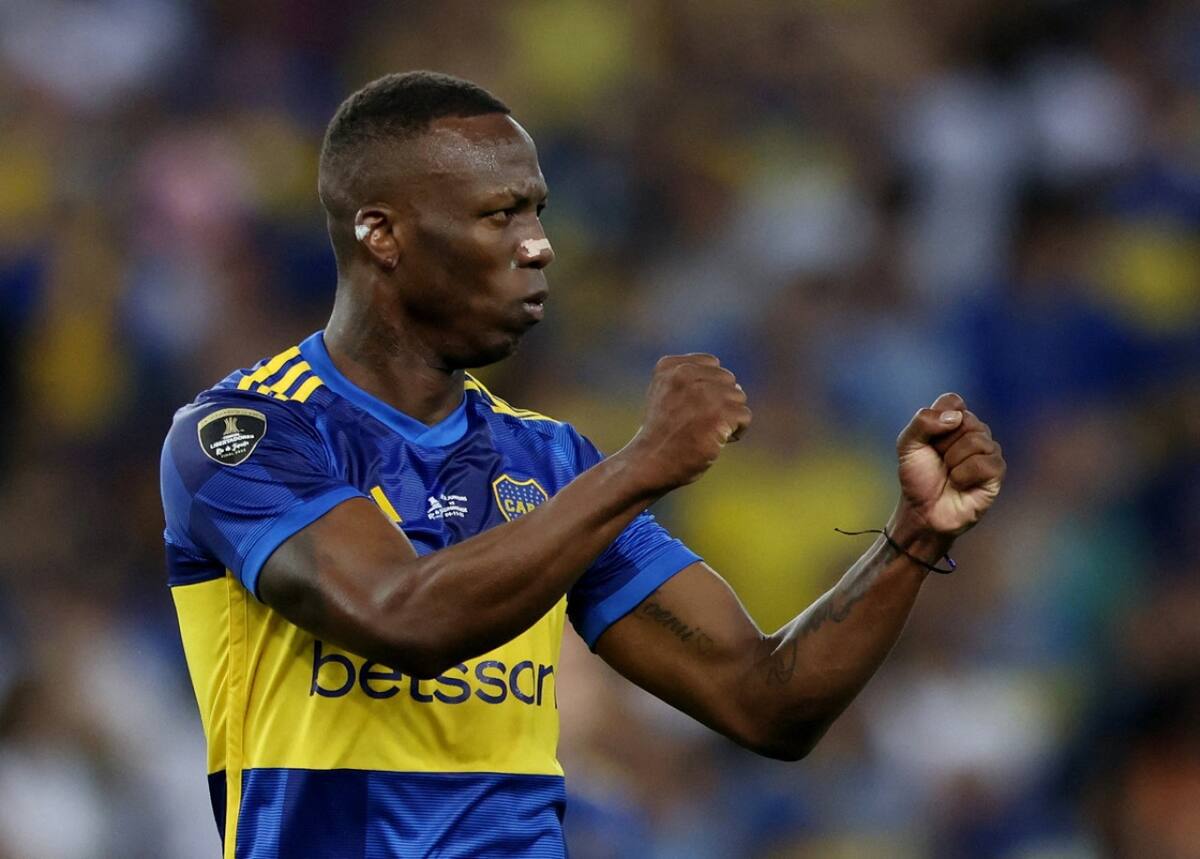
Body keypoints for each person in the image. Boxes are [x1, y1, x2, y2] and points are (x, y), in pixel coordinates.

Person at [160, 71, 1005, 858]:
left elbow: (766, 700)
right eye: (501, 215)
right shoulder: (244, 434)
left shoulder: (552, 459)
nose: (539, 246)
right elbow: (402, 616)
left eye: (538, 212)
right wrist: (643, 463)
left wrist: (912, 537)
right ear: (382, 233)